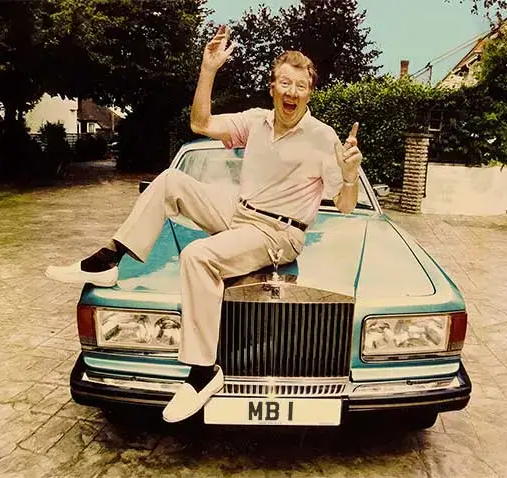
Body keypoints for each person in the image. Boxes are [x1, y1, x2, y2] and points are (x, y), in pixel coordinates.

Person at [45, 25, 363, 423]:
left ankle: (202, 372)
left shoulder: (322, 137)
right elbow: (200, 124)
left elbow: (347, 206)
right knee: (170, 180)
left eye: (300, 85)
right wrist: (208, 69)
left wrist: (349, 175)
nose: (292, 92)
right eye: (285, 82)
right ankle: (110, 260)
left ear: (309, 93)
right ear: (272, 87)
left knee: (197, 256)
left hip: (279, 232)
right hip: (239, 211)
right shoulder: (256, 122)